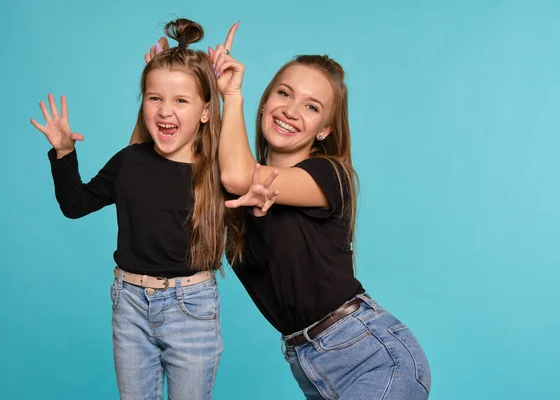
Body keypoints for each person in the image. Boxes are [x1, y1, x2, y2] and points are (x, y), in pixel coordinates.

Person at [212, 27, 432, 399]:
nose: (291, 111)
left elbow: (237, 175)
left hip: (372, 356)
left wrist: (231, 96)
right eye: (284, 93)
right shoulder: (239, 199)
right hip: (309, 363)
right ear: (265, 103)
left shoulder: (329, 176)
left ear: (324, 129)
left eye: (311, 107)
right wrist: (167, 92)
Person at [31, 18, 224, 400]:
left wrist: (231, 98)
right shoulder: (130, 160)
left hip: (191, 309)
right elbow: (75, 204)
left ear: (205, 111)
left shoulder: (218, 170)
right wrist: (65, 153)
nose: (165, 111)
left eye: (181, 100)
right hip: (130, 305)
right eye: (155, 98)